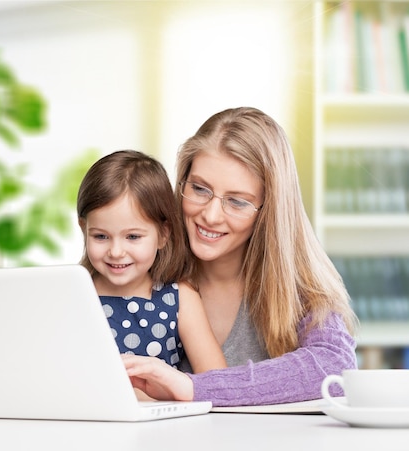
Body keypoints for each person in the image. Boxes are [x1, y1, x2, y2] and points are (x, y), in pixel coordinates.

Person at [122, 107, 359, 406]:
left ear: (269, 210)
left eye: (236, 202)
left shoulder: (299, 287)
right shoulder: (140, 267)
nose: (210, 215)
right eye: (199, 188)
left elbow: (335, 368)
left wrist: (194, 388)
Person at [77, 150, 227, 374]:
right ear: (84, 229)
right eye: (101, 236)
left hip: (160, 409)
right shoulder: (76, 293)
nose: (116, 252)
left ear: (163, 235)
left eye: (133, 237)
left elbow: (218, 380)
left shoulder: (179, 298)